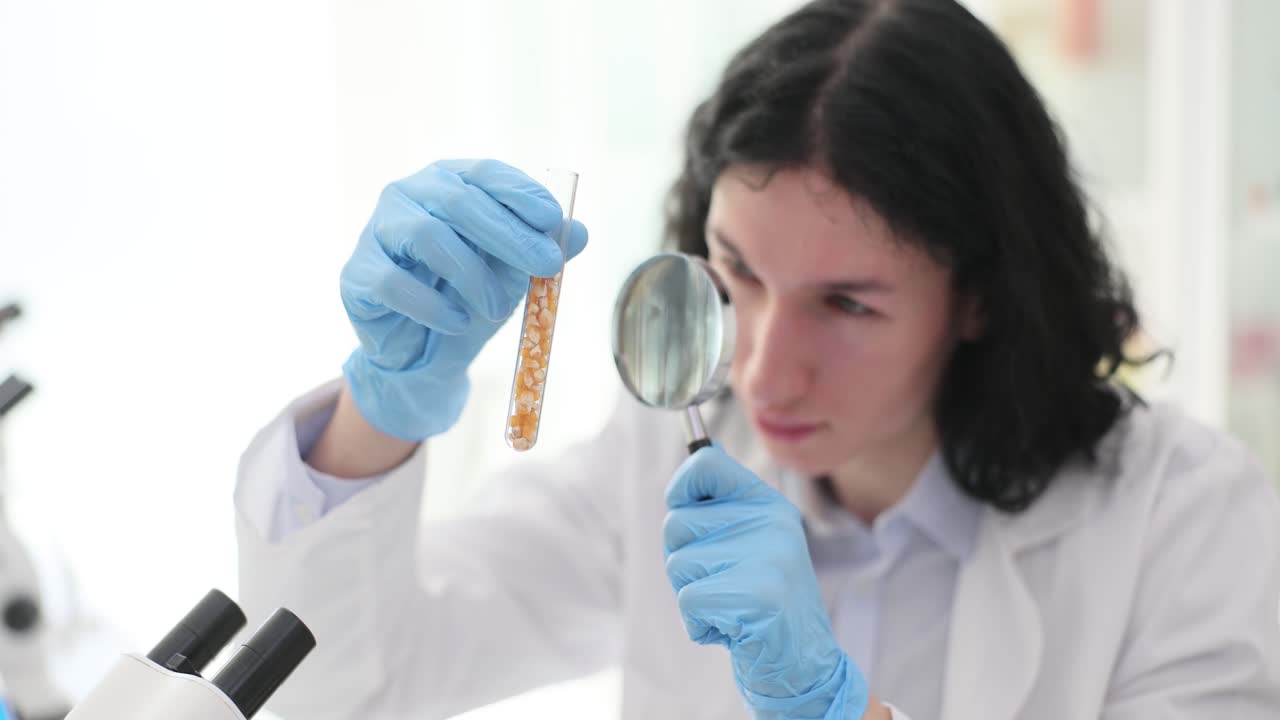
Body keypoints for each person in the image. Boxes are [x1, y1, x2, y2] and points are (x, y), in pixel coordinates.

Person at [233, 1, 1280, 718]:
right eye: (736, 272)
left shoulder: (1181, 520)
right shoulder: (661, 455)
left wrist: (834, 705)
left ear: (978, 298)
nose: (765, 372)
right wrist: (384, 405)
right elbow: (348, 684)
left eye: (846, 304)